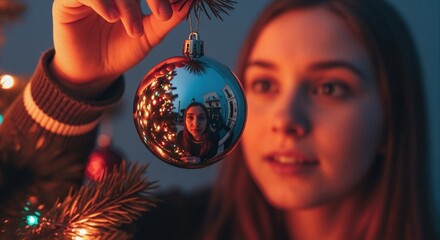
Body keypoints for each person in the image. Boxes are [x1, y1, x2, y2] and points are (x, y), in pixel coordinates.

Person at [0, 0, 437, 239]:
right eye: (265, 85)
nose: (286, 120)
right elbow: (19, 222)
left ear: (391, 114)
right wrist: (76, 81)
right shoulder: (170, 230)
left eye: (329, 88)